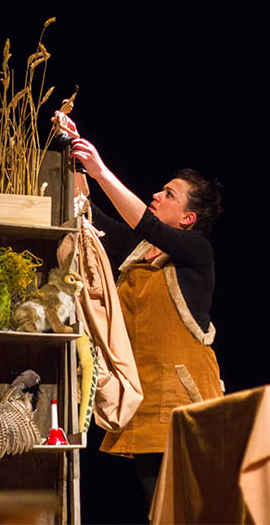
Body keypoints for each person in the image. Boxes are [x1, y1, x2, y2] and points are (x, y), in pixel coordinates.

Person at [55, 112, 226, 514]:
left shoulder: (196, 252)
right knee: (159, 510)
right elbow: (89, 215)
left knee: (194, 511)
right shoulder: (138, 253)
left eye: (169, 194)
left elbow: (147, 224)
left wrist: (101, 170)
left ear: (188, 218)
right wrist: (73, 154)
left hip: (185, 402)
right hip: (144, 398)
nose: (157, 195)